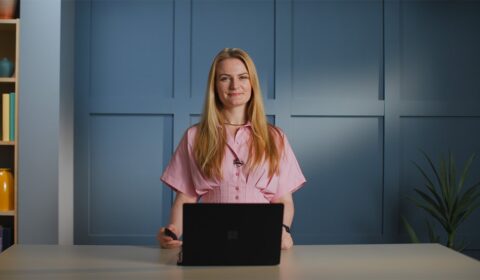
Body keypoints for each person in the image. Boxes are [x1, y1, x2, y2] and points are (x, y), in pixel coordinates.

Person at [157, 48, 306, 250]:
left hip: (262, 240)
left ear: (252, 83)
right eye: (225, 78)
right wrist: (172, 231)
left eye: (243, 77)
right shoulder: (195, 136)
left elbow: (282, 199)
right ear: (215, 86)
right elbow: (186, 196)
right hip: (209, 241)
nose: (235, 85)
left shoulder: (275, 138)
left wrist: (283, 230)